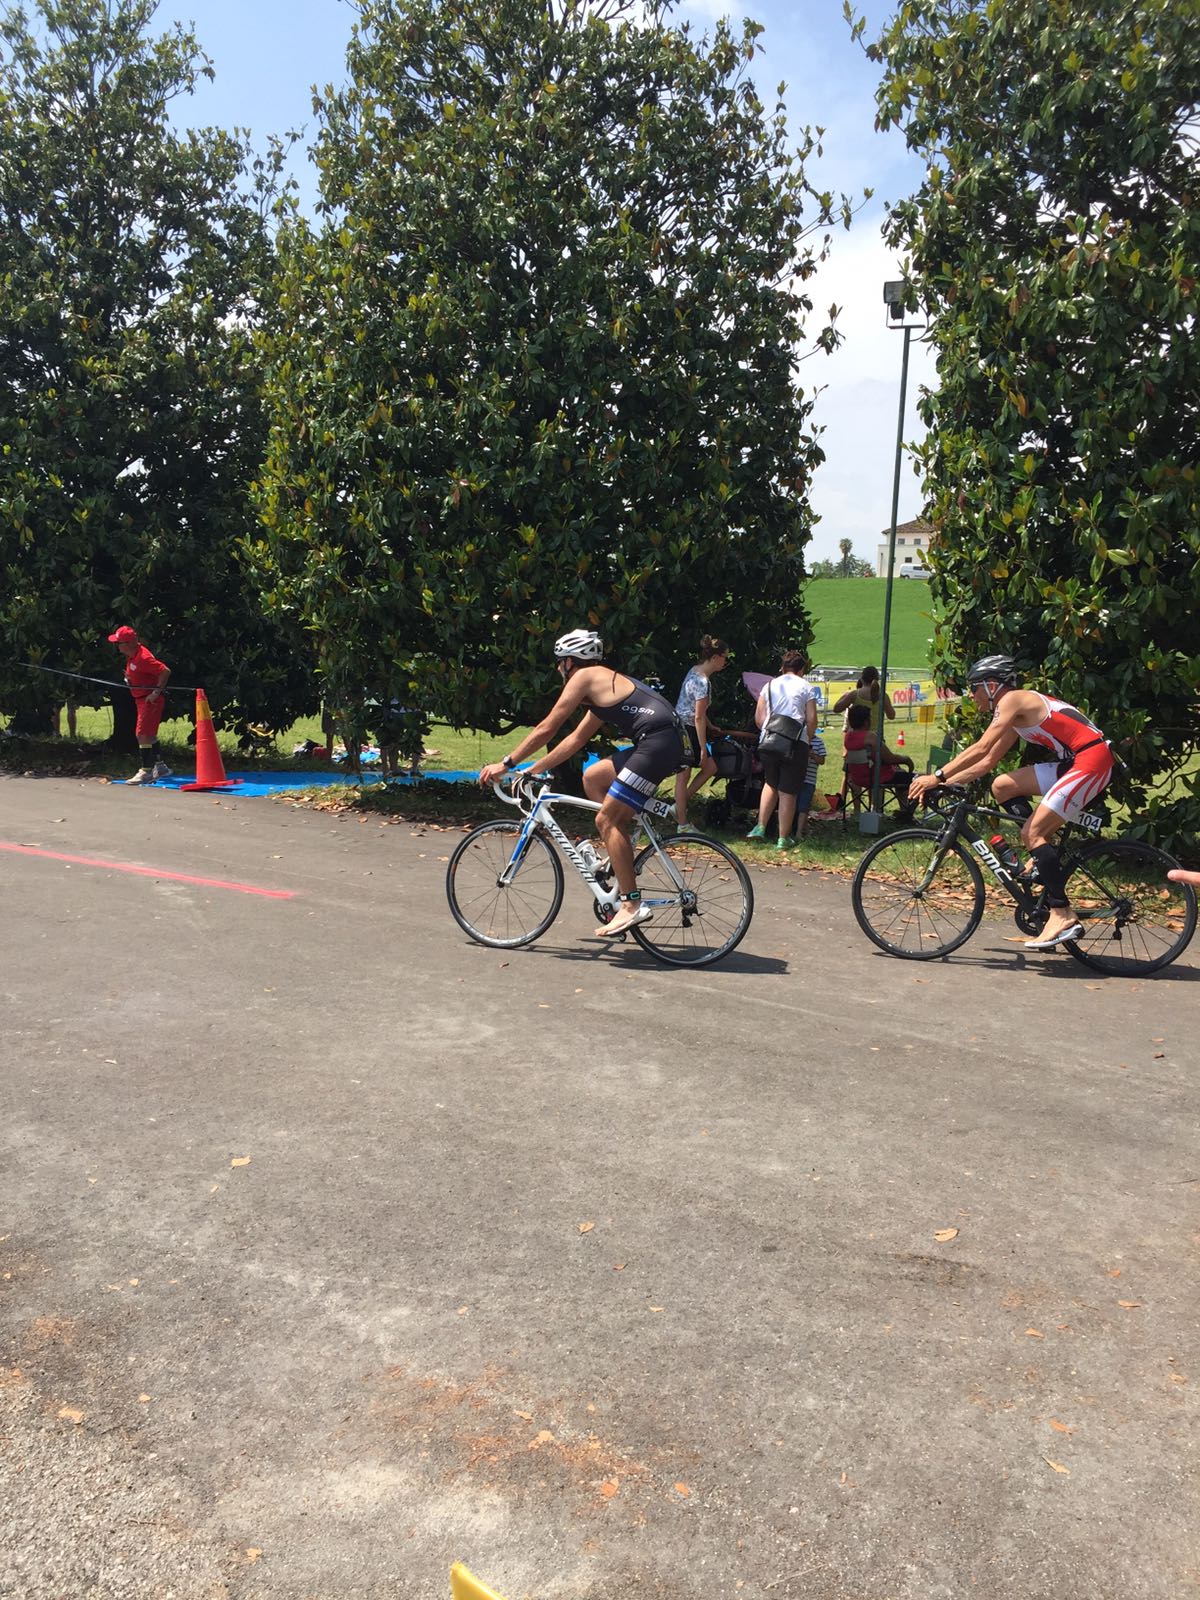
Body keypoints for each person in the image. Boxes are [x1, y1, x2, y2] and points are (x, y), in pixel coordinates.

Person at [479, 630, 688, 938]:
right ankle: (620, 854)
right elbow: (575, 739)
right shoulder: (600, 686)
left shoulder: (584, 677)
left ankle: (631, 905)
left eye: (559, 663)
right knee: (593, 777)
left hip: (658, 744)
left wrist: (507, 764)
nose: (558, 670)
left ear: (569, 662)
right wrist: (532, 770)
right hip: (663, 741)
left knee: (606, 819)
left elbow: (547, 727)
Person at [908, 654, 1115, 951]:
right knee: (1002, 786)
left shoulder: (1014, 700)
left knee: (1032, 833)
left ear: (992, 686)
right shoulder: (1014, 713)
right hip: (1074, 762)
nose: (971, 695)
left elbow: (980, 747)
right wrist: (949, 784)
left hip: (1091, 760)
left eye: (974, 688)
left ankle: (1061, 914)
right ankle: (1040, 853)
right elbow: (988, 761)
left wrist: (937, 776)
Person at [746, 649, 818, 850]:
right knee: (788, 791)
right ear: (802, 669)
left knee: (770, 783)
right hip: (795, 743)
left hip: (769, 740)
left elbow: (759, 719)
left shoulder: (769, 685)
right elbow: (811, 719)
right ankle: (783, 838)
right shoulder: (806, 687)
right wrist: (808, 737)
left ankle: (760, 826)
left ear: (782, 667)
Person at [673, 635, 732, 833]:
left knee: (710, 767)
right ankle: (682, 823)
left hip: (683, 724)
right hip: (687, 729)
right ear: (715, 657)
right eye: (725, 657)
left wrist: (711, 725)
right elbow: (697, 717)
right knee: (685, 774)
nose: (726, 661)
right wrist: (703, 748)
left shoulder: (694, 671)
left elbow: (697, 710)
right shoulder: (703, 681)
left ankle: (679, 805)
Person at [108, 625, 171, 784]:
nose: (117, 646)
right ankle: (160, 766)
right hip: (140, 698)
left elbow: (165, 671)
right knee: (149, 734)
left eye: (118, 643)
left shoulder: (143, 658)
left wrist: (155, 692)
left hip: (149, 699)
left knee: (142, 734)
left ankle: (146, 770)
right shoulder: (133, 656)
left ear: (128, 643)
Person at [843, 703, 914, 811]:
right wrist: (906, 759)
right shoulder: (870, 736)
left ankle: (903, 811)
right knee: (915, 778)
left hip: (857, 778)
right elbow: (889, 758)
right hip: (877, 777)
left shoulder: (848, 737)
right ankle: (906, 811)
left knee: (901, 775)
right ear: (866, 721)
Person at [790, 730, 827, 839]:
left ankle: (799, 833)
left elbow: (822, 761)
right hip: (795, 778)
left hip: (809, 780)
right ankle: (794, 829)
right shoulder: (797, 740)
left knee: (804, 806)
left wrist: (812, 754)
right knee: (794, 805)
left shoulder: (818, 742)